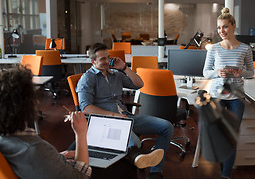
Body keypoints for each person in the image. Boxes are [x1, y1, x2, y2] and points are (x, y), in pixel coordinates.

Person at [76, 43, 174, 179]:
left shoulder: (115, 74)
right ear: (93, 61)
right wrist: (114, 116)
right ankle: (138, 157)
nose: (107, 61)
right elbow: (86, 108)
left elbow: (139, 84)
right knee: (135, 144)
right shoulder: (87, 78)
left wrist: (124, 68)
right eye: (102, 59)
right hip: (106, 121)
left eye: (108, 57)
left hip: (125, 117)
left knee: (167, 127)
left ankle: (155, 171)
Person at [0, 66, 92, 179]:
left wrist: (55, 158)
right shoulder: (33, 149)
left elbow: (34, 163)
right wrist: (81, 134)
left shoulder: (7, 140)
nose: (37, 101)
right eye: (33, 97)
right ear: (24, 105)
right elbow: (82, 176)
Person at [203, 7, 254, 179]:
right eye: (219, 28)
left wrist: (241, 72)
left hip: (236, 97)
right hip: (217, 96)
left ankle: (226, 174)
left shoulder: (245, 49)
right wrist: (217, 73)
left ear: (233, 26)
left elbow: (251, 73)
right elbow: (205, 72)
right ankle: (222, 166)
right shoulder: (214, 48)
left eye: (225, 27)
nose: (221, 31)